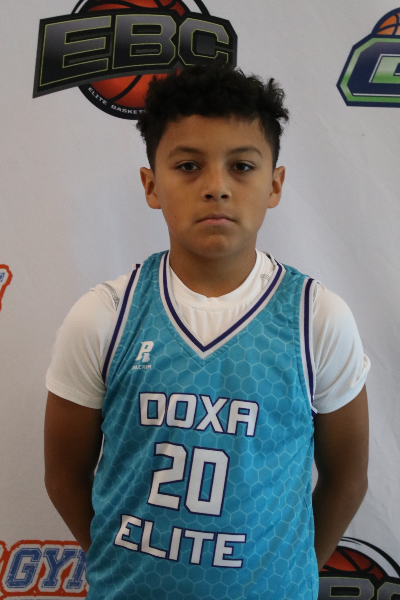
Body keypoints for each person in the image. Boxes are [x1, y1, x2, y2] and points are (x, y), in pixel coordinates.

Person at [44, 64, 370, 599]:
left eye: (241, 166)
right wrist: (116, 564)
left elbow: (347, 479)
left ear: (274, 184)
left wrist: (287, 575)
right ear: (151, 185)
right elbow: (64, 475)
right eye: (189, 166)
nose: (216, 187)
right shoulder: (105, 315)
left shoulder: (317, 318)